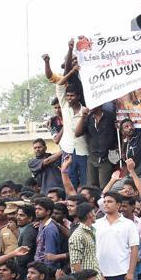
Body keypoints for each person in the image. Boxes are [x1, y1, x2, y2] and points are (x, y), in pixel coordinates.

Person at [50, 55, 90, 187]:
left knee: (85, 183)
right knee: (69, 182)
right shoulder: (64, 105)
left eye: (72, 95)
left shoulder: (85, 111)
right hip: (67, 148)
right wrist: (72, 72)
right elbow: (60, 84)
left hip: (83, 150)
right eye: (67, 96)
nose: (69, 98)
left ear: (78, 96)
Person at [74, 104, 118, 189]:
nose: (90, 106)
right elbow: (77, 133)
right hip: (92, 157)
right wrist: (83, 117)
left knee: (104, 187)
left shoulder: (110, 117)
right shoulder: (88, 118)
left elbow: (118, 134)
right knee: (92, 187)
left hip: (106, 157)